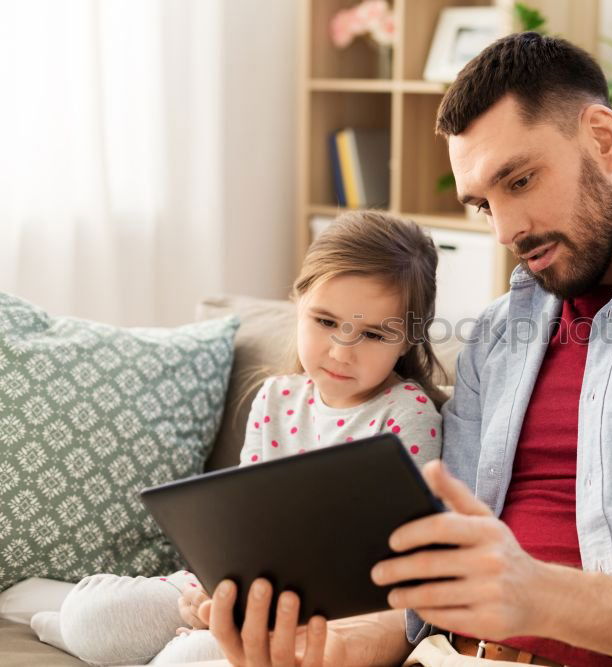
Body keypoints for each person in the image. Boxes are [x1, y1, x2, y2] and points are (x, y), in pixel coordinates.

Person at [205, 32, 612, 667]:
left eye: (518, 181)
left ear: (603, 137)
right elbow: (440, 579)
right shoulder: (498, 333)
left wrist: (544, 596)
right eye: (482, 205)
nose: (504, 230)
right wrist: (344, 646)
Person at [31, 211, 446, 666]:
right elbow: (246, 528)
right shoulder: (275, 397)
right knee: (94, 615)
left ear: (407, 340)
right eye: (326, 322)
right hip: (240, 591)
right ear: (298, 301)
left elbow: (397, 564)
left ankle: (150, 649)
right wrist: (212, 591)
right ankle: (81, 630)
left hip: (324, 618)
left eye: (371, 334)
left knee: (186, 660)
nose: (340, 351)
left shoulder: (408, 415)